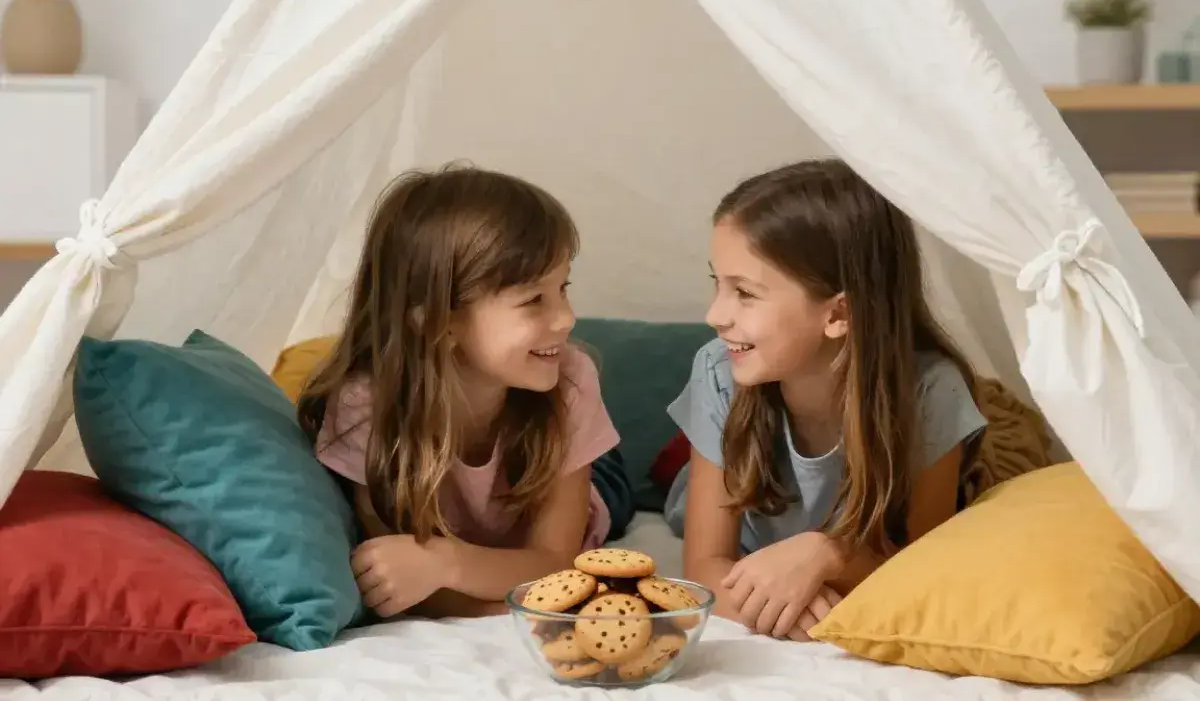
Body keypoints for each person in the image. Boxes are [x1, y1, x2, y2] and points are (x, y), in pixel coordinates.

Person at [663, 159, 989, 641]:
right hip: (737, 518)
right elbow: (705, 567)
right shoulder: (718, 371)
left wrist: (828, 553)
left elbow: (920, 565)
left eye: (745, 293)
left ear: (838, 314)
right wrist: (789, 610)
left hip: (837, 542)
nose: (715, 314)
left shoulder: (930, 393)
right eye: (717, 283)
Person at [298, 165, 633, 620]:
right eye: (534, 299)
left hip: (585, 492)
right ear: (439, 322)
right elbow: (395, 574)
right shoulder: (365, 407)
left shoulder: (570, 378)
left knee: (618, 488)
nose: (567, 318)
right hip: (493, 512)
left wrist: (444, 563)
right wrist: (464, 588)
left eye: (563, 288)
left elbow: (555, 562)